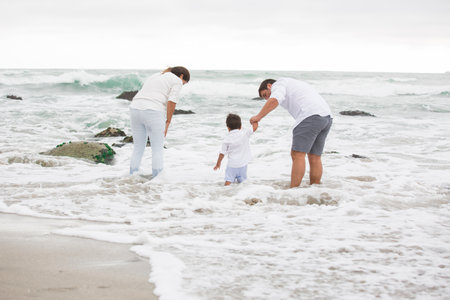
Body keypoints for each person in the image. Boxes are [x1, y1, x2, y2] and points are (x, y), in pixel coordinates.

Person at [250, 78, 332, 188]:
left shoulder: (278, 84)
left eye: (265, 94)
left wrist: (258, 117)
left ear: (269, 86)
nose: (267, 98)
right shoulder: (294, 83)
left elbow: (274, 100)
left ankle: (293, 191)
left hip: (310, 116)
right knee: (314, 157)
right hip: (326, 118)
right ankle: (315, 189)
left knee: (297, 154)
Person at [129, 66, 190, 177]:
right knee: (157, 149)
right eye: (184, 83)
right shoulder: (177, 80)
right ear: (181, 76)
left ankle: (132, 177)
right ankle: (157, 181)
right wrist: (168, 121)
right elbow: (172, 101)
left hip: (135, 108)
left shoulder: (156, 75)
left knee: (138, 147)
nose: (183, 85)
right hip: (153, 111)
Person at [214, 113, 258, 186]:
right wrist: (255, 120)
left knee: (228, 182)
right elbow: (255, 127)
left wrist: (218, 164)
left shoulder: (226, 139)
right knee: (243, 183)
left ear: (228, 127)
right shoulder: (245, 133)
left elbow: (222, 153)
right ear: (240, 126)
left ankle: (224, 195)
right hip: (243, 165)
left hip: (232, 165)